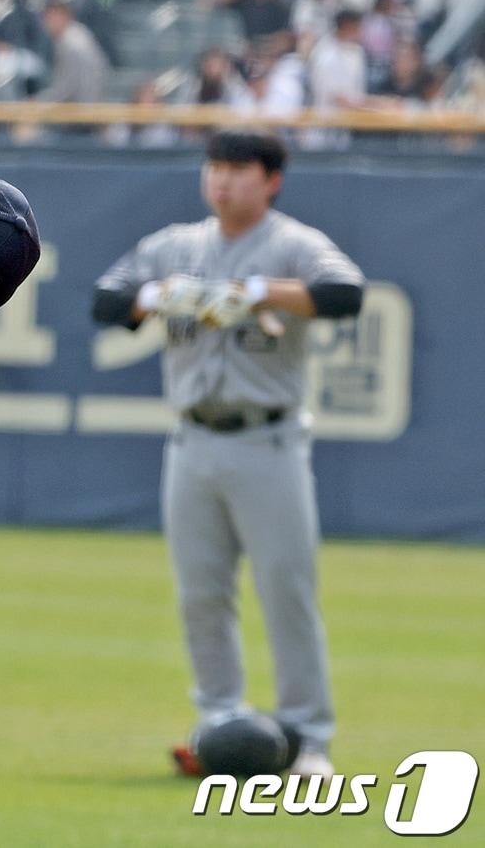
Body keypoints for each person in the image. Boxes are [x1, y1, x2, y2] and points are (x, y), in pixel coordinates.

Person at [90, 130, 365, 780]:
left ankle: (307, 739)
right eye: (215, 168)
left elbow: (345, 294)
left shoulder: (294, 243)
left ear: (271, 180)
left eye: (240, 170)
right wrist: (157, 296)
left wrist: (263, 292)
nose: (223, 181)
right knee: (200, 594)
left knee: (285, 589)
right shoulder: (176, 246)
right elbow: (106, 300)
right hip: (191, 439)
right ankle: (219, 723)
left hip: (268, 438)